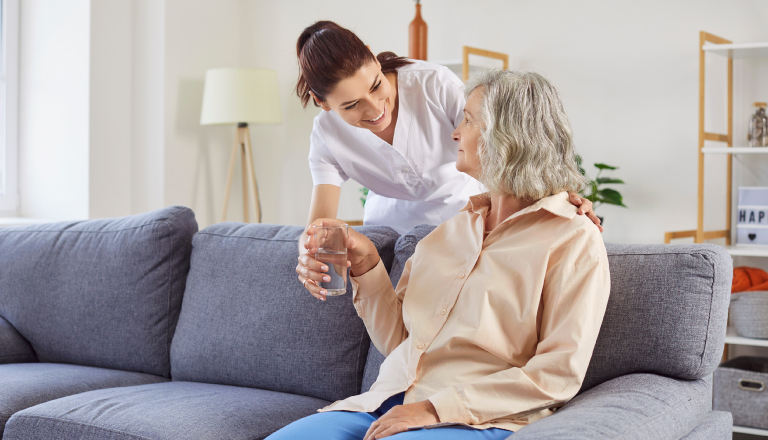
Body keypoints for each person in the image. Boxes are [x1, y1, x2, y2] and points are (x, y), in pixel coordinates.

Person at [277, 69, 611, 440]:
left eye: (468, 120)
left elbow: (557, 373)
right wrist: (368, 265)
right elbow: (401, 342)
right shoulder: (448, 232)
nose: (455, 132)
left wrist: (433, 410)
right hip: (384, 404)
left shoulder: (572, 237)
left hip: (472, 418)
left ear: (508, 137)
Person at [295, 21, 601, 294]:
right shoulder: (326, 135)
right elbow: (320, 225)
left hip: (461, 215)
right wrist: (307, 255)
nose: (375, 109)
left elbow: (503, 141)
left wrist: (560, 198)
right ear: (322, 102)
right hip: (389, 231)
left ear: (373, 57)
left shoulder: (433, 84)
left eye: (376, 86)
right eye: (351, 105)